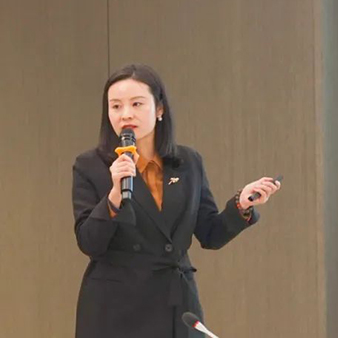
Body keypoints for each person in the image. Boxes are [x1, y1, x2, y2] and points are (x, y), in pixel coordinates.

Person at [71, 63, 281, 338]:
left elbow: (211, 234)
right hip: (116, 309)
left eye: (136, 104)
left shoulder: (188, 161)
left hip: (177, 306)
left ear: (159, 109)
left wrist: (241, 204)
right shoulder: (91, 165)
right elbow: (89, 243)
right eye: (116, 106)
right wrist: (114, 195)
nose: (126, 114)